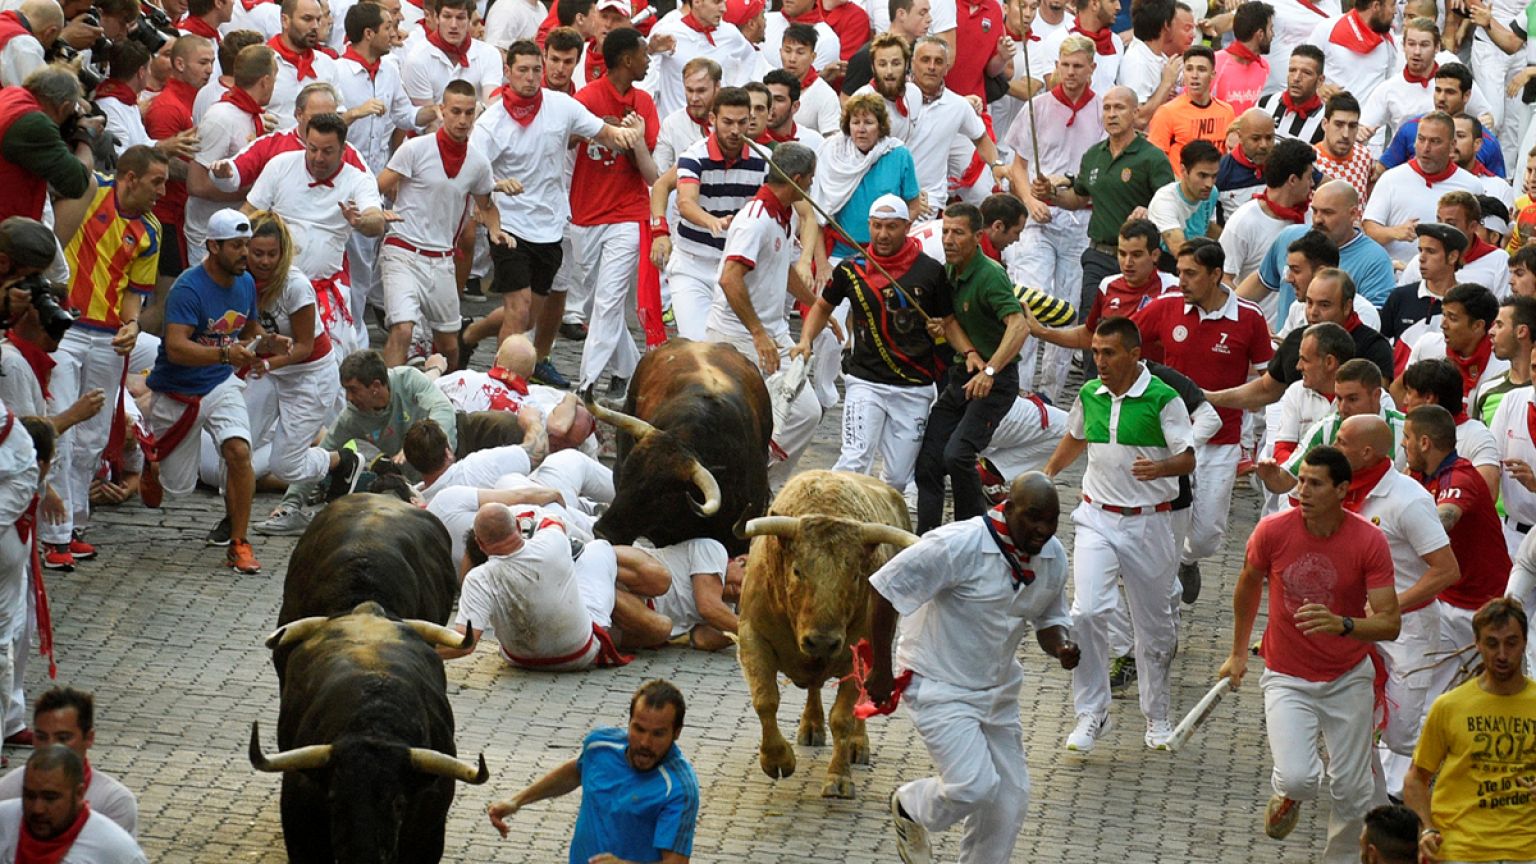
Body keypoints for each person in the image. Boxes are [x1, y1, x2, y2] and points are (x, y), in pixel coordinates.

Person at [863, 472, 1076, 864]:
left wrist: (1062, 645)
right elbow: (885, 589)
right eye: (1033, 517)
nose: (1043, 529)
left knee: (1009, 801)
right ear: (1007, 509)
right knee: (974, 785)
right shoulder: (957, 544)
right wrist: (879, 667)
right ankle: (910, 806)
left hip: (998, 692)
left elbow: (1049, 618)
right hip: (939, 685)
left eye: (1051, 519)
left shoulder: (1052, 556)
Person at [1221, 445, 1400, 862]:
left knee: (1354, 792)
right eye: (1300, 480)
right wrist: (1237, 654)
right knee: (1300, 779)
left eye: (1314, 483)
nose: (1302, 490)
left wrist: (1345, 624)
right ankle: (1290, 795)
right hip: (1286, 675)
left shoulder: (1369, 540)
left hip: (1347, 676)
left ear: (1342, 490)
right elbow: (1248, 584)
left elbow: (1390, 622)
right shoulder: (1272, 531)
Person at [1042, 317, 1194, 752]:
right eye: (1094, 352)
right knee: (1087, 612)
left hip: (1150, 524)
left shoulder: (1164, 399)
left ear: (1134, 354)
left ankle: (1158, 717)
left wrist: (1161, 468)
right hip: (1096, 517)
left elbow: (1187, 458)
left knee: (1154, 628)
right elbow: (1076, 437)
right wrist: (1049, 473)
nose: (1100, 361)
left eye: (1108, 353)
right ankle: (1092, 712)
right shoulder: (1090, 394)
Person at [469, 39, 640, 367]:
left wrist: (627, 136)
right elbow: (474, 177)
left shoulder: (561, 105)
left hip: (549, 224)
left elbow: (604, 132)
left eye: (536, 70)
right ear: (508, 72)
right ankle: (504, 384)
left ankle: (470, 335)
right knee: (518, 311)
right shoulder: (491, 123)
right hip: (510, 226)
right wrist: (495, 187)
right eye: (522, 70)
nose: (531, 77)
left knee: (529, 316)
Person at [143, 209, 290, 574]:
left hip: (220, 382)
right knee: (177, 486)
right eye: (238, 246)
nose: (246, 254)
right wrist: (225, 352)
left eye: (247, 245)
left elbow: (248, 330)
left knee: (240, 451)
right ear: (213, 246)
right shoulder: (187, 288)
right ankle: (151, 459)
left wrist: (266, 343)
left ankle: (239, 543)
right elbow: (175, 348)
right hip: (178, 391)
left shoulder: (245, 284)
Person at [40, 145, 166, 571]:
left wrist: (132, 325)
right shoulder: (89, 194)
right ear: (130, 178)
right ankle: (53, 536)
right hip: (67, 329)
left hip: (110, 339)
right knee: (63, 422)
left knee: (92, 437)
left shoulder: (150, 230)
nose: (162, 192)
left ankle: (73, 526)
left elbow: (136, 291)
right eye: (156, 182)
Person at [1132, 238, 1273, 602]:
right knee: (1158, 521)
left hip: (1221, 441)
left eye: (1191, 274)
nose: (1181, 281)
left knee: (1209, 534)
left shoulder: (1250, 317)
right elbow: (1122, 344)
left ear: (1215, 275)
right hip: (1166, 439)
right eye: (1179, 272)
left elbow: (1268, 380)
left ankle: (1186, 560)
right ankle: (1155, 587)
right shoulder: (1166, 307)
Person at [1331, 414, 1460, 801]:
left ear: (1367, 452)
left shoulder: (1409, 500)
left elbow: (1446, 571)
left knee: (1401, 735)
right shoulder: (1338, 492)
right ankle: (1369, 805)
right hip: (1355, 627)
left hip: (1410, 629)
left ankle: (1460, 756)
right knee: (1356, 717)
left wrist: (1390, 609)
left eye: (1341, 442)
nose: (1335, 448)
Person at [791, 194, 950, 490]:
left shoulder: (931, 271)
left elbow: (948, 323)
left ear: (906, 226)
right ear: (869, 226)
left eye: (891, 227)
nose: (883, 234)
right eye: (877, 226)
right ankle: (830, 512)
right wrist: (804, 340)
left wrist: (941, 329)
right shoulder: (852, 270)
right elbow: (823, 307)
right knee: (854, 459)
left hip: (914, 387)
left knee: (899, 479)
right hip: (866, 382)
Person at [706, 143, 823, 483]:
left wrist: (817, 307)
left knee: (806, 412)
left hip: (772, 331)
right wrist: (757, 334)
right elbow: (730, 279)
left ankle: (762, 481)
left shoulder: (782, 218)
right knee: (762, 415)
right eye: (811, 181)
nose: (812, 188)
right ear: (797, 179)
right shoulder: (755, 220)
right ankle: (749, 478)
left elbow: (783, 269)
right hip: (738, 336)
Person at [487, 679, 699, 864]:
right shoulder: (600, 746)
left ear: (677, 733)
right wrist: (517, 801)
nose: (645, 742)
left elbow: (676, 862)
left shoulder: (679, 789)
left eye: (658, 734)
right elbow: (577, 770)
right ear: (629, 723)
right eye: (638, 729)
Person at [914, 202, 1028, 534]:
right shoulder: (948, 272)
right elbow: (949, 321)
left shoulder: (991, 275)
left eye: (958, 233)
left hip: (997, 380)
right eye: (945, 231)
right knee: (929, 462)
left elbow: (1018, 326)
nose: (949, 240)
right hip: (962, 375)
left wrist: (989, 370)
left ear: (978, 236)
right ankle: (926, 540)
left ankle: (971, 533)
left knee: (958, 454)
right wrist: (965, 350)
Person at [255, 349, 458, 535]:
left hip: (454, 459)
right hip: (416, 483)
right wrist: (290, 504)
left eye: (353, 390)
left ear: (376, 387)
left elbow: (443, 410)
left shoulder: (408, 380)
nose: (349, 398)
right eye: (345, 390)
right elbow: (323, 452)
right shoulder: (352, 417)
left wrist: (420, 442)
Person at [1030, 86, 1174, 345]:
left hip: (1138, 260)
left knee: (1135, 331)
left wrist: (1149, 211)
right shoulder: (1094, 155)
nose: (1111, 114)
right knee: (1093, 327)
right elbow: (1078, 198)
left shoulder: (1153, 158)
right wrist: (1051, 194)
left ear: (1135, 112)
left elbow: (1170, 203)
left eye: (1119, 108)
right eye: (1106, 108)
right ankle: (1090, 383)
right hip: (1099, 255)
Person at [377, 79, 502, 370]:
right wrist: (375, 211)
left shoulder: (478, 163)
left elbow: (487, 206)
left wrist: (495, 230)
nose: (462, 120)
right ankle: (386, 405)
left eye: (469, 113)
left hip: (442, 259)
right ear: (441, 111)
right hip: (402, 250)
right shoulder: (415, 149)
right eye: (456, 111)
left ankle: (451, 399)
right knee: (403, 329)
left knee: (449, 344)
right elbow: (379, 185)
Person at [242, 111, 389, 357]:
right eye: (312, 149)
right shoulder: (281, 165)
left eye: (327, 151)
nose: (318, 158)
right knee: (266, 360)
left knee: (332, 362)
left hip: (324, 292)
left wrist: (360, 220)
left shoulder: (358, 179)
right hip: (274, 289)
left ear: (344, 149)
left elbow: (377, 222)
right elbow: (247, 213)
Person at [1404, 598, 1536, 864]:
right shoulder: (1450, 706)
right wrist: (1426, 828)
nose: (1501, 654)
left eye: (1511, 643)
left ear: (1524, 642)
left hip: (1527, 850)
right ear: (1477, 643)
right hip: (1462, 849)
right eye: (1491, 643)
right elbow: (1416, 779)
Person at [1006, 35, 1102, 395]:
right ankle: (1019, 388)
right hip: (1038, 220)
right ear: (1057, 67)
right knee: (1031, 297)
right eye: (1066, 66)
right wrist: (1030, 200)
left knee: (1068, 306)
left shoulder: (1102, 110)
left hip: (1081, 223)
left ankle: (1050, 392)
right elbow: (1017, 166)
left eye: (1079, 66)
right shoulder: (1037, 107)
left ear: (1092, 68)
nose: (1071, 73)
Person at [441, 501, 628, 670]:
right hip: (580, 654)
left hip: (518, 660)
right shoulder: (551, 542)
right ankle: (602, 622)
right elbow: (555, 521)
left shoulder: (478, 578)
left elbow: (465, 643)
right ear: (516, 526)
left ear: (480, 544)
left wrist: (421, 650)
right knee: (599, 547)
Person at [1402, 405, 1511, 690]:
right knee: (1431, 689)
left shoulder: (1460, 477)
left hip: (1483, 606)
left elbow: (1442, 521)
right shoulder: (1417, 475)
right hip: (1446, 600)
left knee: (1490, 692)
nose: (1402, 444)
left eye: (1407, 437)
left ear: (1424, 443)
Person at [650, 87, 766, 341]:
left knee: (736, 348)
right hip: (693, 264)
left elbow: (799, 207)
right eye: (727, 122)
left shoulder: (765, 160)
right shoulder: (694, 156)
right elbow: (685, 202)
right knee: (699, 344)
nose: (735, 131)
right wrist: (662, 230)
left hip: (737, 268)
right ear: (713, 120)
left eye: (742, 122)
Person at [0, 687, 137, 836]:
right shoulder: (8, 790)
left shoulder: (113, 802)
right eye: (41, 737)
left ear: (89, 738)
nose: (51, 747)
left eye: (63, 738)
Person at [1364, 113, 1486, 265]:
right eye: (1421, 139)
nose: (1426, 148)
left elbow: (1479, 235)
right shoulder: (1391, 179)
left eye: (1435, 141)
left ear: (1452, 145)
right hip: (1398, 278)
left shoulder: (1472, 185)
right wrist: (1394, 232)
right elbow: (1369, 229)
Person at [810, 93, 919, 261]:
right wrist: (822, 264)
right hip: (839, 254)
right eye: (855, 122)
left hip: (887, 256)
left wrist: (894, 235)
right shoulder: (830, 154)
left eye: (868, 123)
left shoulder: (899, 154)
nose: (861, 129)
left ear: (881, 126)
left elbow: (913, 206)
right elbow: (815, 214)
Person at [0, 746, 143, 862]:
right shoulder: (4, 822)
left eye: (50, 798)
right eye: (29, 796)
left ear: (79, 794)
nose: (38, 809)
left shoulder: (116, 851)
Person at [0, 64, 94, 225]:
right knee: (91, 183)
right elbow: (78, 183)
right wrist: (85, 134)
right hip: (7, 228)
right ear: (64, 107)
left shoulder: (12, 93)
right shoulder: (34, 123)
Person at [1146, 46, 1234, 172]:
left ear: (1212, 75)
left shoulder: (1227, 112)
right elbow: (1155, 161)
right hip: (1180, 188)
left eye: (1201, 70)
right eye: (1189, 69)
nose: (1194, 75)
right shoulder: (1167, 113)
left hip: (1216, 187)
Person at [1146, 140, 1221, 255]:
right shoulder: (1165, 201)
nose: (1209, 184)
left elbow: (1211, 230)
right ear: (1184, 170)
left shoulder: (1212, 193)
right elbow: (1180, 251)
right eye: (1202, 175)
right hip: (1168, 262)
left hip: (1200, 259)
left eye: (1214, 176)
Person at [1312, 94, 1374, 214]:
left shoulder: (1364, 155)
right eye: (1339, 124)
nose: (1345, 134)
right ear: (1325, 124)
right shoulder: (1311, 160)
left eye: (1352, 126)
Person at [1253, 44, 1325, 144]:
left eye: (1306, 73)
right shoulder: (1265, 104)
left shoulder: (1325, 122)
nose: (1296, 78)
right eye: (1292, 70)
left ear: (1320, 80)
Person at [1211, 0, 1270, 114]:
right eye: (1270, 29)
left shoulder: (1264, 67)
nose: (1273, 35)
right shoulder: (1214, 63)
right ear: (1260, 34)